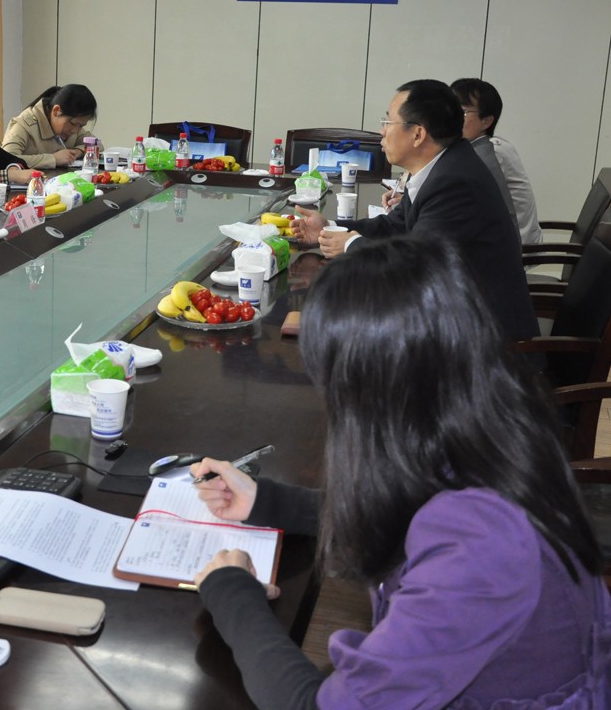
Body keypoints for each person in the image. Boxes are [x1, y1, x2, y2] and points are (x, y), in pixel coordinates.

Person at [191, 237, 609, 710]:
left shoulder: (480, 550)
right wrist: (268, 501)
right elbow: (407, 507)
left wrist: (232, 591)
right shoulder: (485, 431)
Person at [292, 78, 537, 340]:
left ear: (418, 134)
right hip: (454, 315)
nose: (381, 132)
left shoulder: (455, 182)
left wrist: (351, 245)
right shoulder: (442, 165)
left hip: (482, 339)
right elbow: (394, 225)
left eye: (388, 122)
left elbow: (416, 269)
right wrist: (329, 229)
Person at [452, 77, 543, 244]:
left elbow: (458, 201)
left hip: (514, 247)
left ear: (486, 121)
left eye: (462, 111)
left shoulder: (492, 153)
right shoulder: (474, 148)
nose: (451, 117)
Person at [1, 84, 99, 169]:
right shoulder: (23, 125)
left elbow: (96, 143)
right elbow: (5, 160)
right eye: (72, 123)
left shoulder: (74, 127)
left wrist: (78, 151)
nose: (75, 130)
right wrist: (53, 159)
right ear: (56, 111)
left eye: (81, 126)